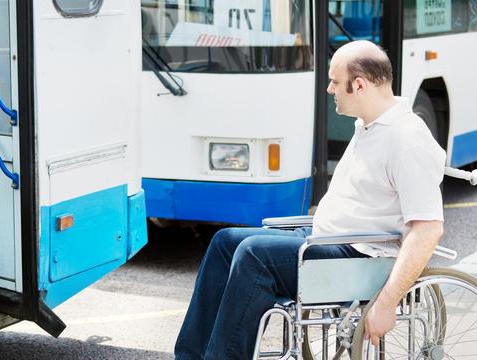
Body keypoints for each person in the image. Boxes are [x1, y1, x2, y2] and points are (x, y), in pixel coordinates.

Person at [174, 40, 446, 360]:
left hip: (358, 256)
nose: (329, 89)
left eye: (334, 81)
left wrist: (386, 303)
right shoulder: (371, 126)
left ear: (358, 85)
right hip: (325, 239)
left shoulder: (406, 140)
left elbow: (427, 229)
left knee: (253, 255)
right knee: (224, 242)